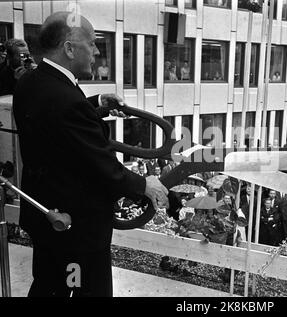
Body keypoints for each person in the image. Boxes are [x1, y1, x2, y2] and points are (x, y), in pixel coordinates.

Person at [12, 12, 169, 297]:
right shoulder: (65, 100)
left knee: (49, 286)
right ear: (70, 48)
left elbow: (58, 124)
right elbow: (100, 164)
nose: (97, 52)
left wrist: (96, 104)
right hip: (77, 230)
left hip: (45, 214)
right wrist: (146, 185)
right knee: (84, 291)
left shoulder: (30, 83)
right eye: (92, 44)